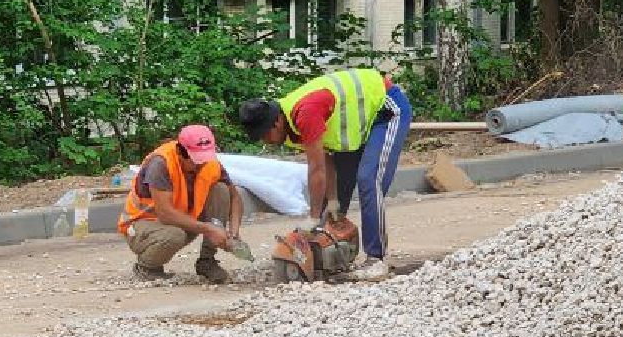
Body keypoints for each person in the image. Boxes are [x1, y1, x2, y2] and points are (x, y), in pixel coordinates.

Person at [236, 68, 412, 280]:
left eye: (265, 135)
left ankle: (376, 259)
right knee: (335, 200)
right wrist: (333, 201)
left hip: (386, 108)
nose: (266, 141)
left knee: (369, 179)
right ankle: (328, 254)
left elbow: (316, 170)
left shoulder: (305, 113)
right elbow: (327, 158)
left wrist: (312, 218)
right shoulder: (288, 125)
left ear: (276, 122)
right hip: (359, 124)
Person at [118, 124, 243, 284]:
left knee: (221, 190)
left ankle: (207, 261)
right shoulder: (161, 163)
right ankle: (147, 267)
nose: (200, 165)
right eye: (195, 160)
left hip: (182, 220)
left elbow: (235, 198)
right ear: (180, 152)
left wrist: (233, 232)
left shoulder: (210, 163)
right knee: (174, 236)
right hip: (143, 224)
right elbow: (165, 214)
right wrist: (208, 228)